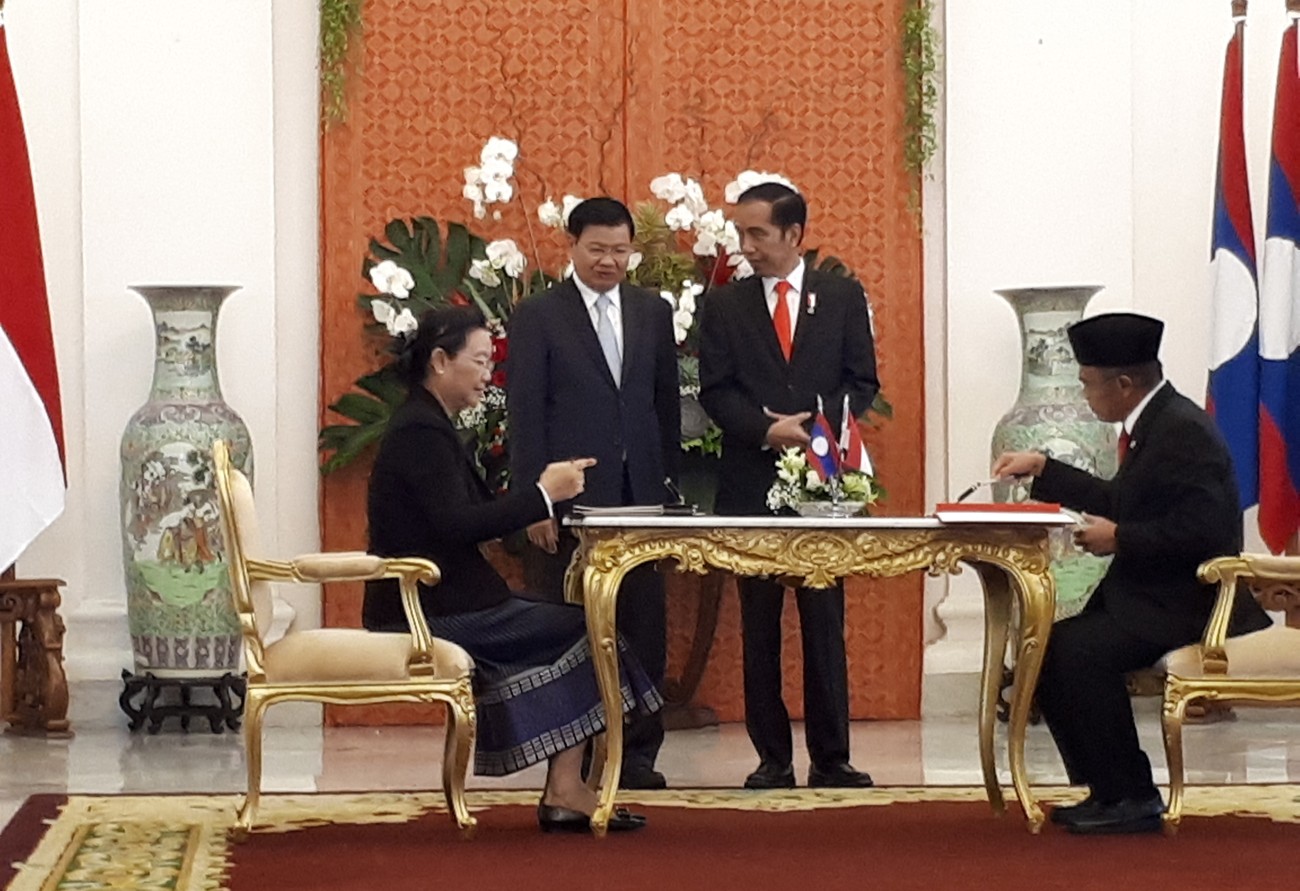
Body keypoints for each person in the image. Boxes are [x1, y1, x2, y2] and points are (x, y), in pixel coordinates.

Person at [363, 305, 662, 833]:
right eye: (478, 362)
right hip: (428, 608)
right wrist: (544, 494)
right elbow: (458, 526)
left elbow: (465, 516)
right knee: (589, 628)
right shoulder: (420, 432)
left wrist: (537, 499)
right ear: (439, 360)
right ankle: (566, 788)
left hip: (451, 598)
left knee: (582, 621)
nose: (487, 375)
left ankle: (565, 784)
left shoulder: (426, 422)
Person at [991, 311, 1270, 835]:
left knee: (1077, 653)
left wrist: (1120, 537)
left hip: (1189, 598)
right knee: (1050, 648)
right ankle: (1110, 789)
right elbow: (1124, 499)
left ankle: (1133, 796)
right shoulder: (1156, 423)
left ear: (1123, 384)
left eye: (1088, 383)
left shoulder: (1181, 431)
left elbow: (1205, 532)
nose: (1085, 394)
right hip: (1151, 591)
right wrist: (1045, 469)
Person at [698, 181, 879, 789]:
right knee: (760, 626)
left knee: (825, 622)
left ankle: (833, 758)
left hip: (825, 481)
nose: (746, 246)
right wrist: (765, 430)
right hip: (752, 482)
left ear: (794, 234)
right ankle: (771, 758)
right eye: (740, 233)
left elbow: (863, 379)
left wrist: (821, 432)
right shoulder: (724, 305)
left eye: (758, 234)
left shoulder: (842, 297)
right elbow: (716, 390)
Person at [507, 197, 681, 790]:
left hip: (641, 497)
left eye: (620, 250)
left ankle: (638, 752)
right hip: (569, 500)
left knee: (643, 621)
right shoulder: (539, 315)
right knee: (574, 625)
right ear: (572, 246)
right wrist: (535, 502)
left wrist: (668, 488)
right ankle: (575, 758)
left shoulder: (652, 311)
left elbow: (663, 407)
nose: (609, 261)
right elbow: (524, 411)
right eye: (597, 249)